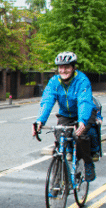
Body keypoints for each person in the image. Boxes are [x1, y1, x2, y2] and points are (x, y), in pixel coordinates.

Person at [32, 51, 99, 181]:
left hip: (85, 113)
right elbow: (47, 101)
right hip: (66, 115)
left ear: (73, 68)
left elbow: (84, 102)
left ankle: (88, 162)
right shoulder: (54, 82)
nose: (63, 70)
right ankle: (58, 178)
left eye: (67, 67)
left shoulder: (82, 80)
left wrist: (82, 121)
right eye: (61, 67)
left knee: (80, 135)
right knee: (60, 136)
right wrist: (40, 121)